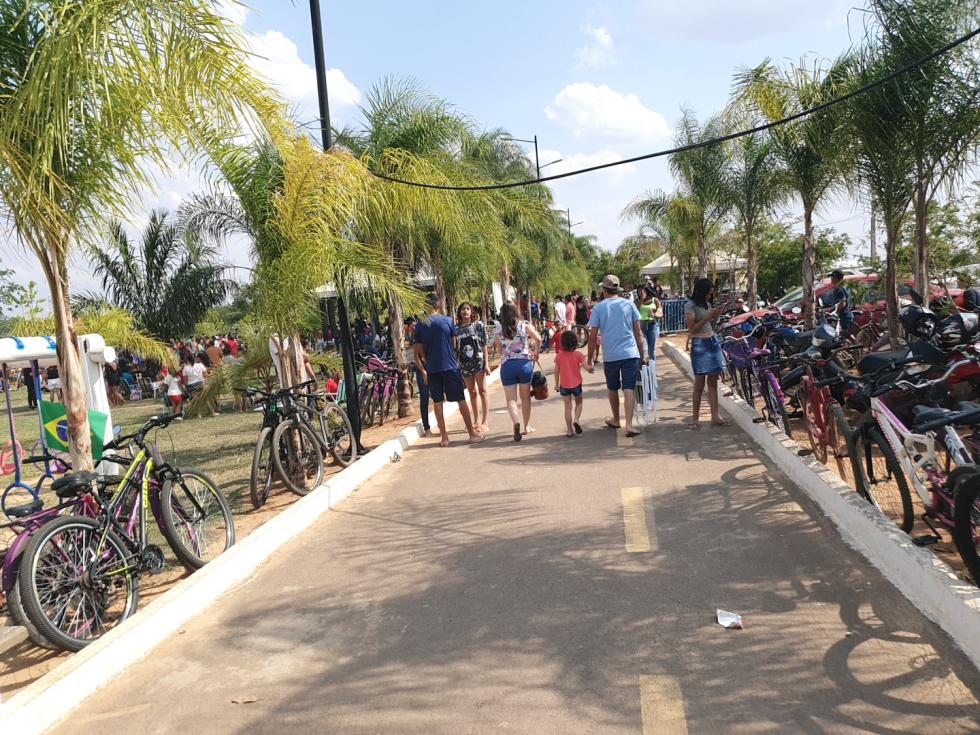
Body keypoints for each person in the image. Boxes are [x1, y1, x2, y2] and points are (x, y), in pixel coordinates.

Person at [414, 297, 484, 447]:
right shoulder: (447, 321)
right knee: (460, 400)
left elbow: (419, 351)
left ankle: (444, 437)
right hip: (450, 366)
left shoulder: (420, 325)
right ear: (439, 306)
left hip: (432, 368)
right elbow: (454, 344)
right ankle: (472, 434)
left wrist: (426, 363)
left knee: (438, 402)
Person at [587, 274, 645, 437]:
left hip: (611, 355)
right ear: (617, 289)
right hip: (630, 353)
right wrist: (643, 355)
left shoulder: (598, 308)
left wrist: (589, 359)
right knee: (629, 387)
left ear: (604, 289)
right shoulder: (629, 304)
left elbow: (593, 337)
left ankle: (616, 419)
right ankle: (629, 425)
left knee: (612, 388)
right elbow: (638, 333)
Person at [685, 277, 729, 430]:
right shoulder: (690, 306)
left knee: (713, 382)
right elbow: (692, 329)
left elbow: (711, 326)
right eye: (709, 292)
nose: (710, 295)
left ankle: (715, 416)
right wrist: (708, 316)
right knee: (699, 383)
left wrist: (715, 316)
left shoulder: (707, 304)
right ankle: (695, 418)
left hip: (712, 341)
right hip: (700, 344)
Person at [494, 301, 542, 442]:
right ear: (516, 311)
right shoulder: (524, 325)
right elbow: (538, 338)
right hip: (524, 364)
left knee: (511, 399)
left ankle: (516, 422)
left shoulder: (499, 329)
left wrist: (508, 353)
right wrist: (536, 353)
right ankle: (527, 427)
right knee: (525, 397)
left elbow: (500, 350)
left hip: (507, 366)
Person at [455, 302, 490, 433]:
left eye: (467, 309)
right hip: (464, 364)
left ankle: (485, 421)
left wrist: (486, 364)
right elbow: (455, 349)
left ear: (471, 311)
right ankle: (476, 420)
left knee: (483, 390)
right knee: (472, 392)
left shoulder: (478, 325)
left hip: (478, 362)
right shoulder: (456, 329)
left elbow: (484, 345)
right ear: (459, 312)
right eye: (463, 309)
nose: (465, 311)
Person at [554, 329, 593, 437]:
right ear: (575, 342)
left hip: (564, 385)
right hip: (576, 384)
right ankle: (576, 420)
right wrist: (590, 368)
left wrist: (556, 384)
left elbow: (556, 371)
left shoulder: (559, 356)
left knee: (567, 408)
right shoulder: (578, 355)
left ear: (562, 343)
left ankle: (569, 430)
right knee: (579, 403)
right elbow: (586, 367)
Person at [820, 269, 854, 335]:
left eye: (832, 277)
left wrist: (834, 313)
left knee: (841, 336)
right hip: (848, 314)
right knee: (845, 335)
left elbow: (842, 303)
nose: (831, 278)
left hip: (844, 316)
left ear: (836, 278)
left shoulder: (839, 289)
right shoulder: (845, 286)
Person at [638, 284, 662, 361]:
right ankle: (644, 367)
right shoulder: (637, 301)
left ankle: (652, 368)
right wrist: (641, 300)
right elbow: (636, 312)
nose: (641, 292)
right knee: (644, 350)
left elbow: (660, 313)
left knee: (652, 351)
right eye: (639, 291)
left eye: (643, 291)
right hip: (641, 327)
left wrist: (654, 315)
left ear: (647, 291)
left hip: (653, 326)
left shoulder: (655, 300)